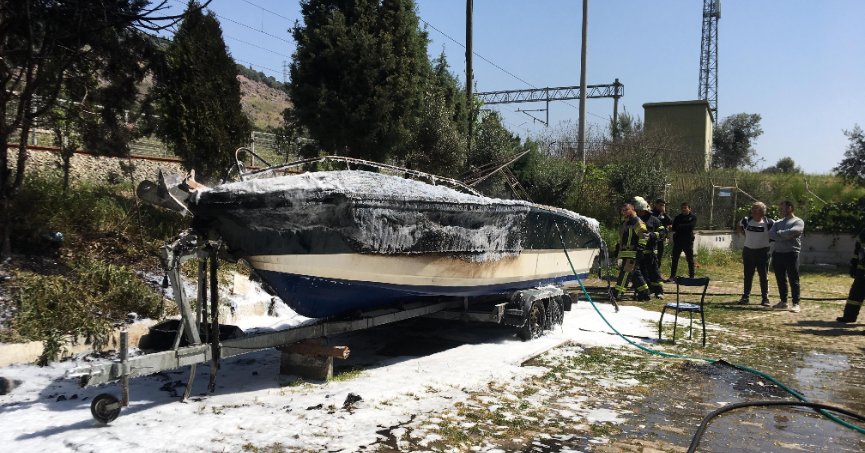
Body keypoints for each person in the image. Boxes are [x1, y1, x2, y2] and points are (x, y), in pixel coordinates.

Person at [769, 200, 805, 313]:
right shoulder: (777, 222)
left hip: (791, 253)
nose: (780, 210)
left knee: (793, 279)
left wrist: (779, 234)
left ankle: (796, 303)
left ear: (790, 208)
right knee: (780, 279)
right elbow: (771, 234)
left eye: (782, 208)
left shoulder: (798, 221)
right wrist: (784, 234)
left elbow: (794, 231)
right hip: (778, 253)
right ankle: (783, 302)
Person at [737, 202, 774, 306]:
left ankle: (765, 298)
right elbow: (739, 225)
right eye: (753, 208)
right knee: (748, 275)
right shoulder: (746, 220)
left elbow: (774, 234)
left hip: (763, 252)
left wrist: (768, 241)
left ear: (762, 211)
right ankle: (745, 297)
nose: (753, 211)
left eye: (756, 209)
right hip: (748, 251)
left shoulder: (769, 222)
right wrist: (744, 234)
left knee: (763, 275)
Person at [612, 202, 651, 302]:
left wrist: (640, 249)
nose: (624, 212)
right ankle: (644, 293)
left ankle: (618, 293)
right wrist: (618, 249)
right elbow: (622, 238)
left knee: (625, 273)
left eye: (626, 210)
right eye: (622, 211)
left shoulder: (637, 222)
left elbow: (644, 236)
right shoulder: (626, 223)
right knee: (636, 274)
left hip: (633, 253)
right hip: (625, 253)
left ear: (633, 209)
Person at [635, 197, 665, 299]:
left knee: (654, 273)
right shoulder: (636, 220)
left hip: (650, 253)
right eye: (637, 211)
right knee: (642, 274)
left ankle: (659, 291)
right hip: (639, 252)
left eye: (640, 211)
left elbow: (662, 233)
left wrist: (651, 235)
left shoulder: (654, 220)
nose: (639, 213)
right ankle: (646, 292)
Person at [837, 225, 865, 323]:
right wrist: (853, 265)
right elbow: (857, 249)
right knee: (855, 294)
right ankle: (849, 316)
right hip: (862, 270)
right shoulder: (863, 233)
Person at [669, 202, 697, 280]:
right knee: (675, 259)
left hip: (688, 241)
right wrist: (685, 227)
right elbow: (674, 228)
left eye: (685, 208)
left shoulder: (693, 217)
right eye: (682, 208)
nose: (683, 210)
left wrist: (680, 226)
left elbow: (691, 227)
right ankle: (672, 276)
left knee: (690, 259)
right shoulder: (678, 217)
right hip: (678, 241)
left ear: (689, 209)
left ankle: (691, 276)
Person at [651, 199, 673, 273]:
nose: (662, 207)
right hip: (653, 239)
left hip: (661, 239)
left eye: (663, 205)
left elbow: (670, 221)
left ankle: (656, 273)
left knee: (659, 257)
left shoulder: (663, 214)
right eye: (660, 205)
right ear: (656, 205)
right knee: (652, 257)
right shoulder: (651, 213)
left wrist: (664, 213)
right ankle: (650, 273)